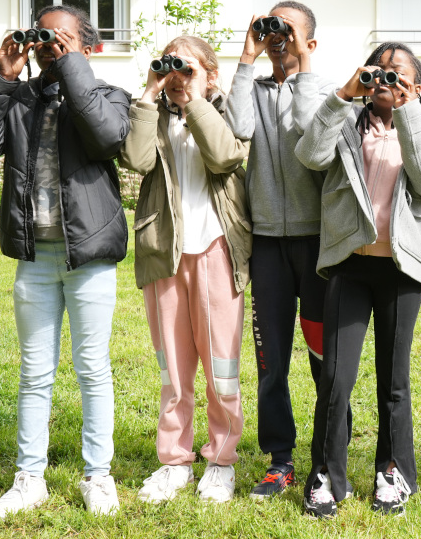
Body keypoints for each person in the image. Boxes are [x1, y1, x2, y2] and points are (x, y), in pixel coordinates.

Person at [0, 5, 130, 520]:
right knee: (35, 371)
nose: (49, 46)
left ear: (86, 48)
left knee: (92, 368)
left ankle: (97, 475)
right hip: (36, 257)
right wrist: (1, 76)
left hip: (89, 256)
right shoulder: (20, 101)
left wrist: (72, 66)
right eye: (43, 36)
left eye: (63, 38)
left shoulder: (107, 95)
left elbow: (107, 137)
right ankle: (28, 476)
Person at [296, 42, 421, 518]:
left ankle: (393, 470)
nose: (386, 80)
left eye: (398, 75)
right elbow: (309, 154)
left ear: (416, 88)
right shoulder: (345, 124)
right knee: (336, 379)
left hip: (401, 268)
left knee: (393, 380)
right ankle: (325, 474)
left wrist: (408, 113)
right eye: (379, 72)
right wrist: (344, 94)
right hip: (350, 263)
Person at [119, 36, 251, 504]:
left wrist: (195, 100)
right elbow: (134, 160)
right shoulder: (153, 117)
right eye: (171, 68)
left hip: (216, 249)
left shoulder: (227, 112)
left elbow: (224, 156)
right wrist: (149, 94)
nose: (178, 77)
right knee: (174, 370)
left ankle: (220, 459)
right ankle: (174, 461)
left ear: (210, 75)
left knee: (221, 367)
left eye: (188, 69)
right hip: (165, 252)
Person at [223, 1, 345, 499]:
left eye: (288, 30)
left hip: (317, 244)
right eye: (270, 27)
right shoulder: (251, 88)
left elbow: (306, 130)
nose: (278, 36)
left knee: (323, 358)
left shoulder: (326, 92)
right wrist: (247, 58)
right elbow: (239, 128)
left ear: (310, 42)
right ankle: (280, 459)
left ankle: (326, 455)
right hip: (269, 244)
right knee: (271, 359)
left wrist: (303, 68)